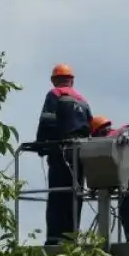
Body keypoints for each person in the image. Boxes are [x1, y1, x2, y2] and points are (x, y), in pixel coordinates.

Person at [34, 63, 92, 245]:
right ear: (71, 81)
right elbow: (90, 127)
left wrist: (40, 145)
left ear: (54, 80)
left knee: (57, 194)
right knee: (75, 195)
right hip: (81, 154)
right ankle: (71, 238)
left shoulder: (55, 94)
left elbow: (47, 121)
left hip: (61, 152)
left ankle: (54, 238)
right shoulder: (83, 100)